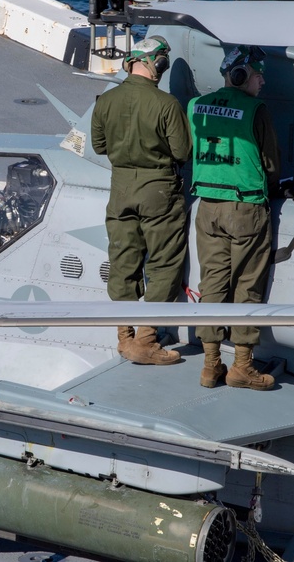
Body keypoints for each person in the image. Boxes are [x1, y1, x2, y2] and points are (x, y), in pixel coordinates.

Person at [91, 35, 191, 365]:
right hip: (158, 190)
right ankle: (146, 341)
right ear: (158, 64)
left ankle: (124, 337)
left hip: (120, 188)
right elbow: (182, 152)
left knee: (122, 259)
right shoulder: (166, 104)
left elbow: (99, 146)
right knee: (163, 262)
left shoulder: (106, 100)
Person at [189, 44, 280, 390]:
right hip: (245, 208)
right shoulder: (256, 110)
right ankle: (242, 367)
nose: (262, 84)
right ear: (242, 75)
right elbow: (270, 164)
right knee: (247, 287)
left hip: (207, 207)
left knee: (211, 284)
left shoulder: (196, 105)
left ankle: (211, 366)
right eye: (259, 76)